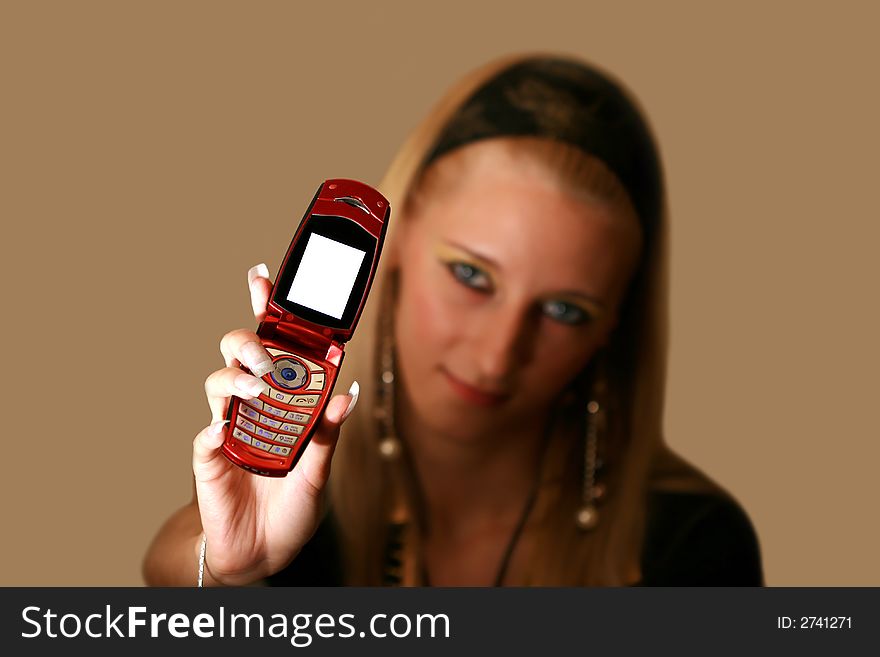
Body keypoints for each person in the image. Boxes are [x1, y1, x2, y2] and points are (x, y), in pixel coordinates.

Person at [143, 53, 763, 587]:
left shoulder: (694, 542)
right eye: (471, 276)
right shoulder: (298, 472)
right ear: (400, 242)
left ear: (615, 327)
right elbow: (163, 568)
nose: (497, 356)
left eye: (565, 311)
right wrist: (227, 567)